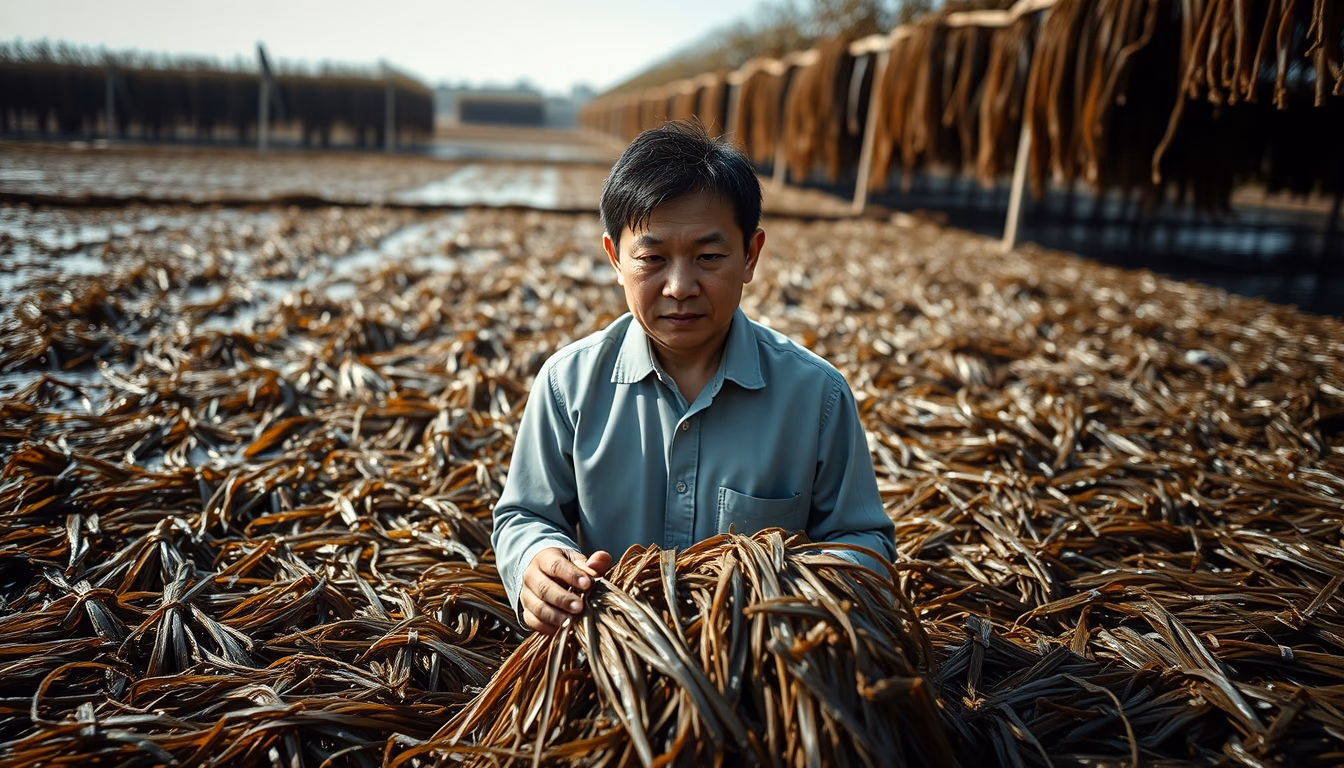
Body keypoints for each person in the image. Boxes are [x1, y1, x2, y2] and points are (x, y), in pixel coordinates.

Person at [491, 120, 896, 634]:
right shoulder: (565, 386)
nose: (680, 287)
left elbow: (864, 540)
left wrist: (803, 591)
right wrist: (537, 561)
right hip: (612, 654)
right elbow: (526, 516)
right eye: (653, 259)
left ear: (750, 255)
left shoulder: (817, 396)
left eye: (709, 257)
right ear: (616, 258)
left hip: (765, 663)